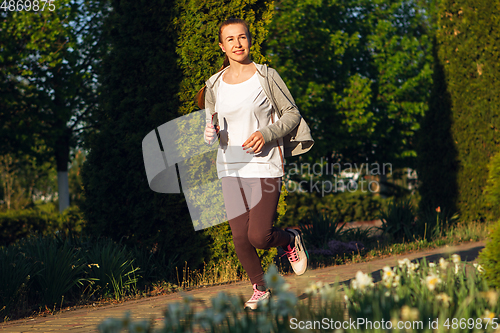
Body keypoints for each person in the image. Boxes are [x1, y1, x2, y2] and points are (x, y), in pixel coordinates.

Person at [200, 18, 314, 310]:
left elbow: (292, 114)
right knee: (240, 237)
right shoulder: (214, 84)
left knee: (259, 236)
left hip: (264, 164)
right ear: (222, 46)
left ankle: (290, 238)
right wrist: (209, 132)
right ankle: (261, 289)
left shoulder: (266, 76)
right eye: (230, 39)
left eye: (242, 37)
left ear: (250, 40)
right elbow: (210, 126)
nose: (237, 44)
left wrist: (266, 133)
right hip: (229, 165)